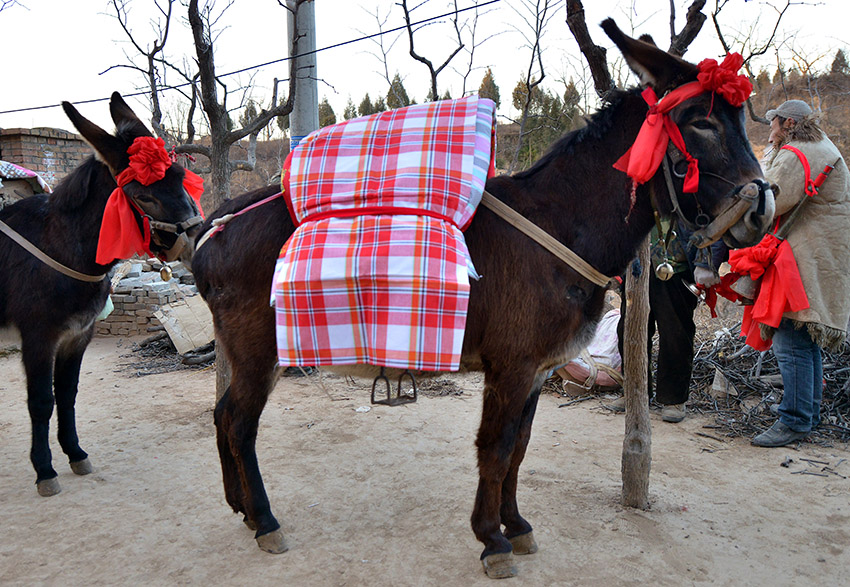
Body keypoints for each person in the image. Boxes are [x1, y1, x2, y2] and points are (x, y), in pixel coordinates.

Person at [747, 100, 850, 447]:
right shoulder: (820, 146)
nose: (770, 130)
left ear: (788, 123)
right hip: (819, 258)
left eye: (774, 124)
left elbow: (768, 198)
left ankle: (795, 421)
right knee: (804, 344)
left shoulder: (800, 152)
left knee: (790, 338)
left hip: (805, 260)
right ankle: (806, 414)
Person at [610, 219, 727, 423]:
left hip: (676, 267)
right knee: (628, 330)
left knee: (675, 333)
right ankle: (634, 393)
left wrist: (706, 263)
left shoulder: (689, 188)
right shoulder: (633, 187)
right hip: (636, 267)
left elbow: (711, 221)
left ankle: (673, 398)